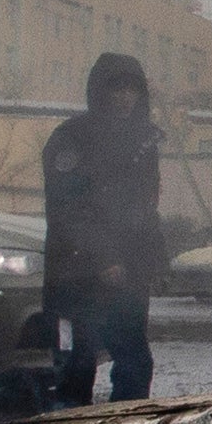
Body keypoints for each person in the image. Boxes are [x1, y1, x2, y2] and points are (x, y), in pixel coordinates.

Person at [38, 52, 171, 403]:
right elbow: (68, 211)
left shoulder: (143, 140)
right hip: (78, 273)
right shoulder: (71, 138)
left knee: (134, 362)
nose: (125, 97)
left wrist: (154, 259)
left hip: (128, 272)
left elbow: (145, 206)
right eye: (117, 89)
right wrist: (102, 260)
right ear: (101, 91)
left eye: (132, 89)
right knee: (77, 363)